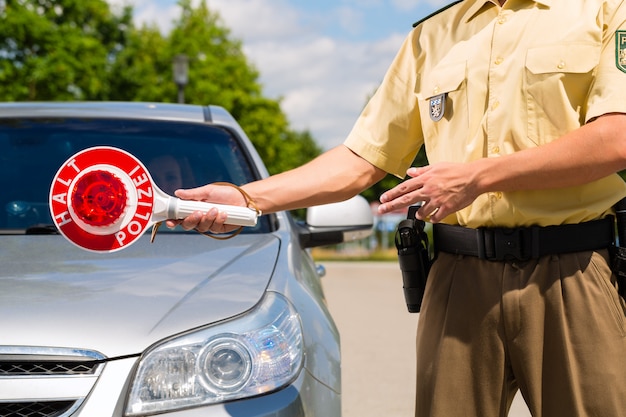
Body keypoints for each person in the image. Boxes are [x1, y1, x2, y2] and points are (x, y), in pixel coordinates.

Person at [168, 0, 626, 416]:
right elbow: (361, 159)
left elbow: (615, 137)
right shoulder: (432, 35)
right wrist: (248, 196)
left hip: (573, 273)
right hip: (459, 276)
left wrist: (479, 176)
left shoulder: (605, 10)